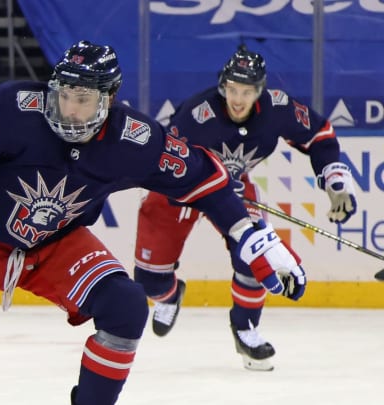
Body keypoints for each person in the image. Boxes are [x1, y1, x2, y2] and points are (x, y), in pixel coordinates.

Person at [0, 41, 305, 405]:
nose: (68, 107)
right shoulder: (16, 108)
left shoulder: (138, 139)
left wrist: (251, 237)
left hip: (59, 246)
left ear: (108, 98)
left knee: (127, 307)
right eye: (63, 94)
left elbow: (208, 182)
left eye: (83, 98)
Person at [133, 45, 356, 371]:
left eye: (247, 91)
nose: (237, 99)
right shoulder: (197, 113)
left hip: (234, 190)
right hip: (178, 190)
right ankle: (168, 295)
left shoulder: (278, 108)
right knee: (149, 280)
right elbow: (167, 159)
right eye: (233, 90)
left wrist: (333, 177)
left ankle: (245, 328)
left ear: (259, 91)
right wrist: (210, 182)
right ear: (223, 86)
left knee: (256, 254)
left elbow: (319, 134)